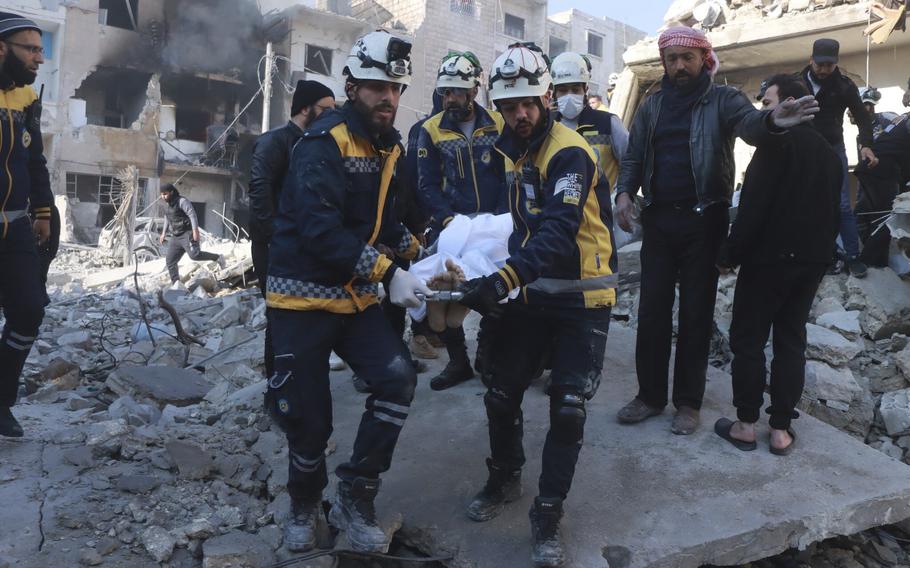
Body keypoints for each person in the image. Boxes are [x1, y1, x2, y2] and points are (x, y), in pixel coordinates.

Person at [265, 30, 431, 554]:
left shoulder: (388, 145)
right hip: (301, 297)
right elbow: (320, 230)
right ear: (353, 86)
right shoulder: (322, 143)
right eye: (378, 87)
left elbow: (378, 223)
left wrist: (424, 255)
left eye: (397, 89)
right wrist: (388, 273)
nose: (389, 99)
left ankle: (357, 494)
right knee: (307, 418)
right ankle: (303, 502)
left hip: (353, 296)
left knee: (398, 379)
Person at [613, 26, 820, 436]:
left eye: (687, 58)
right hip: (657, 220)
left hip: (703, 221)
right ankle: (650, 396)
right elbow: (634, 155)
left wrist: (773, 122)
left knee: (695, 314)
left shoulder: (723, 99)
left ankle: (687, 403)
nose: (679, 66)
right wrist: (623, 193)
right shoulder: (652, 106)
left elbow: (749, 125)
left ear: (704, 59)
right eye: (671, 59)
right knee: (652, 312)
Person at [459, 42, 617, 567]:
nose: (521, 114)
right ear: (498, 107)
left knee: (568, 410)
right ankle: (504, 478)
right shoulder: (508, 150)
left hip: (583, 297)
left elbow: (555, 234)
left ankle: (548, 514)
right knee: (500, 393)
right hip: (533, 292)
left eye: (529, 102)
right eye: (509, 106)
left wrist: (500, 280)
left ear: (546, 95)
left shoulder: (569, 151)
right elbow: (510, 224)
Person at [714, 74, 841, 455]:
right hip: (811, 262)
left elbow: (753, 207)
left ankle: (746, 425)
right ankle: (782, 430)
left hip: (769, 260)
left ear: (788, 102)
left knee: (748, 340)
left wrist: (728, 256)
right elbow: (833, 214)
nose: (764, 109)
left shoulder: (775, 144)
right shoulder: (828, 152)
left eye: (767, 101)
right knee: (790, 341)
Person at [416, 51, 507, 391]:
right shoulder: (431, 130)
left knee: (494, 296)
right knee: (441, 306)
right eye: (445, 92)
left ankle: (488, 353)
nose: (450, 98)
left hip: (493, 229)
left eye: (457, 92)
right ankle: (458, 363)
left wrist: (498, 219)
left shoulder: (498, 124)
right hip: (451, 230)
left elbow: (508, 174)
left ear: (473, 91)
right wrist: (449, 220)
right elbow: (425, 184)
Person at [249, 80, 335, 378]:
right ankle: (278, 390)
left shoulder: (317, 143)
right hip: (275, 248)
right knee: (280, 318)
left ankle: (302, 385)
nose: (330, 116)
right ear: (304, 108)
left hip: (306, 248)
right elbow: (260, 191)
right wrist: (276, 238)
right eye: (325, 109)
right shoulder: (274, 142)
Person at [0, 12, 53, 438]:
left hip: (14, 227)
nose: (40, 57)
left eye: (41, 48)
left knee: (29, 311)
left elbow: (35, 162)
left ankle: (1, 402)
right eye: (31, 49)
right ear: (2, 49)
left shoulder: (27, 99)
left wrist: (43, 213)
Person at [800, 38, 876, 278]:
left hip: (834, 149)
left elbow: (863, 119)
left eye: (829, 65)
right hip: (802, 151)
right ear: (811, 60)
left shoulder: (844, 86)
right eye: (820, 64)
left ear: (836, 63)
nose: (823, 70)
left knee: (842, 204)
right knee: (807, 203)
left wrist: (866, 146)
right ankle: (825, 254)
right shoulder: (795, 82)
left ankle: (853, 256)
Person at [550, 52, 628, 191]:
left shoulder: (608, 123)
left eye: (575, 89)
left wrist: (621, 195)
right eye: (563, 90)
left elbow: (631, 163)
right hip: (563, 210)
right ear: (554, 93)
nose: (569, 96)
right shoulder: (548, 128)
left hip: (604, 210)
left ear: (585, 90)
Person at [854, 112, 910, 267]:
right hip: (882, 169)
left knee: (873, 214)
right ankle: (872, 262)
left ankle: (863, 255)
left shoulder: (902, 120)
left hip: (869, 167)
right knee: (888, 219)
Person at [158, 184, 224, 284]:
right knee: (170, 261)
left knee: (195, 255)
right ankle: (177, 284)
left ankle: (218, 257)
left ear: (171, 192)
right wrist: (163, 233)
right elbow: (167, 217)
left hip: (187, 233)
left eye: (165, 194)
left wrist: (195, 231)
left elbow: (192, 215)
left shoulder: (182, 201)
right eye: (161, 195)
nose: (163, 197)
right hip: (176, 236)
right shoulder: (168, 204)